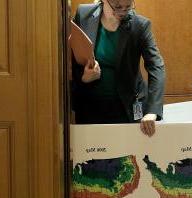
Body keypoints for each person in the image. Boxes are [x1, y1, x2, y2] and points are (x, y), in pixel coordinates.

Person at [71, 0, 165, 137]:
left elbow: (156, 66)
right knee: (93, 154)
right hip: (90, 105)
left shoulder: (140, 25)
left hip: (126, 107)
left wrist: (152, 111)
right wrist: (83, 77)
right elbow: (69, 58)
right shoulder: (84, 14)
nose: (122, 12)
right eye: (117, 7)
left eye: (128, 7)